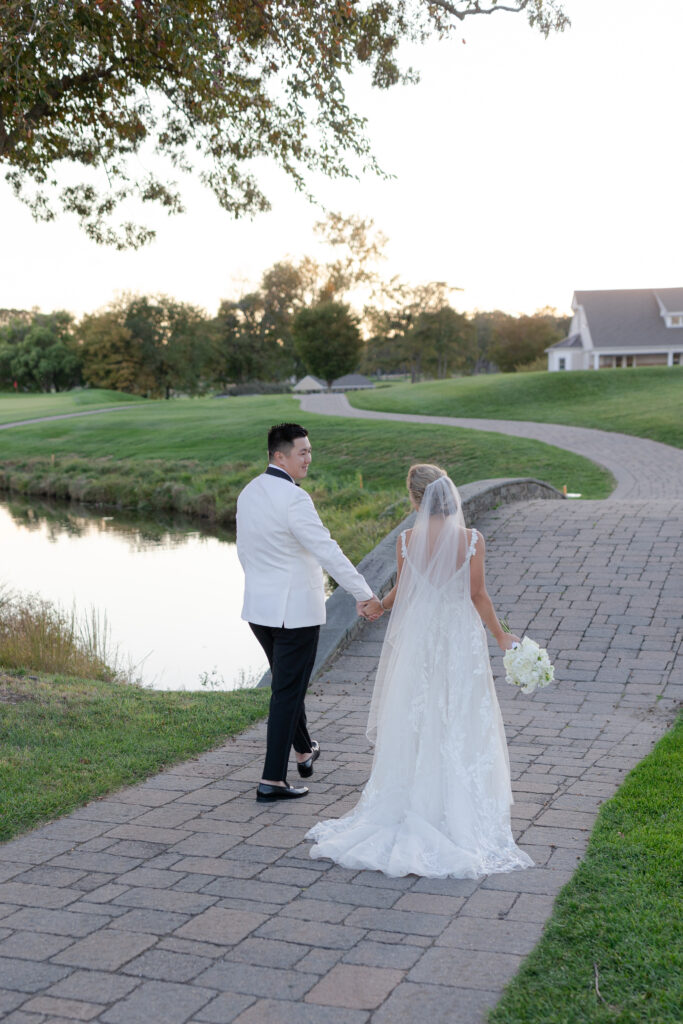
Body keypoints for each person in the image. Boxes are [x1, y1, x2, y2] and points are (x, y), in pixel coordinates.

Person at [306, 463, 534, 878]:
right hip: (457, 637)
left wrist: (378, 604)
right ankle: (452, 803)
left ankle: (412, 796)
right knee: (457, 713)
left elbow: (406, 587)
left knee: (417, 712)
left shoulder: (407, 539)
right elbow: (477, 594)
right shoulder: (471, 540)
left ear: (415, 498)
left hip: (420, 637)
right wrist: (501, 636)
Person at [236, 422, 377, 802]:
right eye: (302, 452)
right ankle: (272, 780)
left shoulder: (249, 492)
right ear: (279, 455)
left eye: (310, 451)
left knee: (288, 684)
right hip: (294, 613)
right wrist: (365, 593)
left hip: (259, 610)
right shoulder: (295, 499)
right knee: (286, 691)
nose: (309, 458)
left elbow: (244, 551)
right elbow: (327, 549)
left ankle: (303, 749)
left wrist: (262, 588)